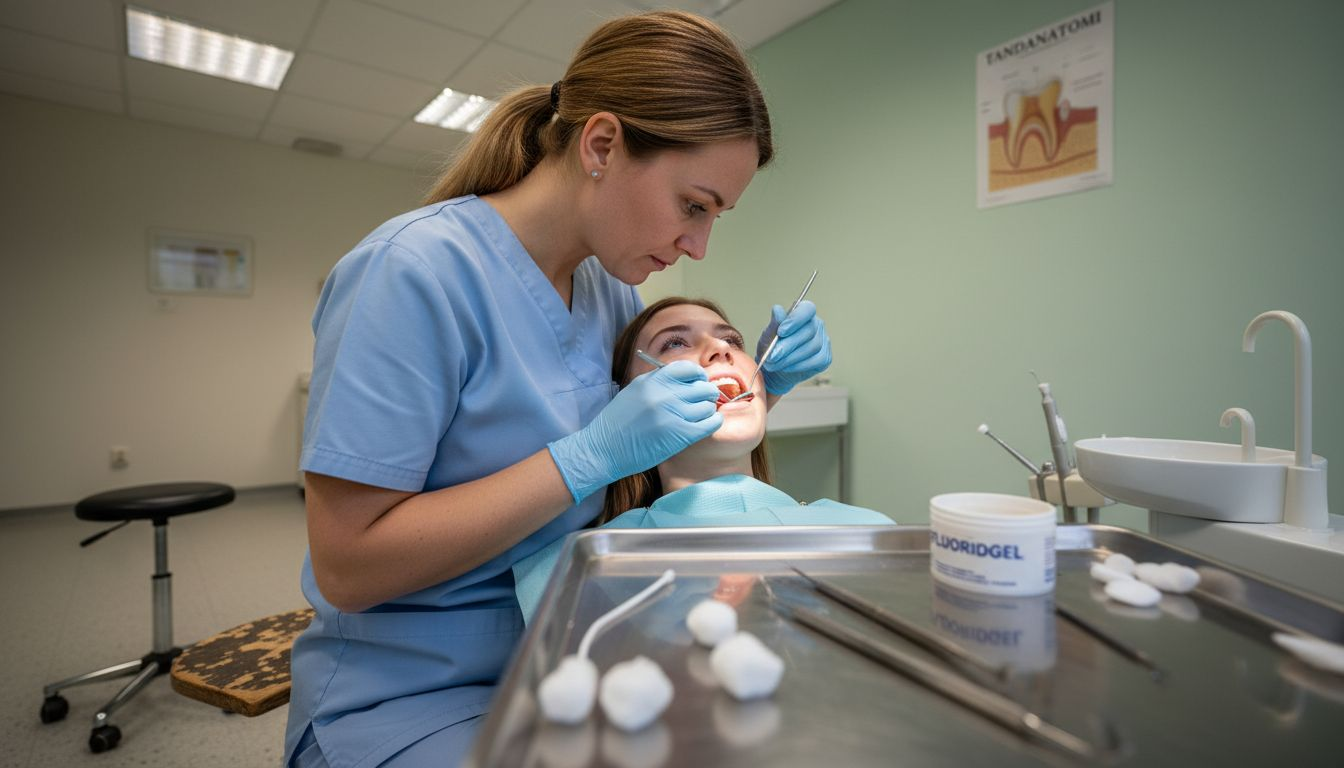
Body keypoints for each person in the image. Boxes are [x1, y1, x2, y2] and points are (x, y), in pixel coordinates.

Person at [285, 12, 835, 768]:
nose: (697, 246)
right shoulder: (409, 274)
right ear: (602, 144)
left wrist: (760, 386)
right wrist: (582, 458)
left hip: (578, 653)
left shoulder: (609, 290)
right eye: (693, 206)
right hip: (416, 697)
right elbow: (348, 567)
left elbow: (647, 446)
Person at [512, 297, 893, 623]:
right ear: (628, 403)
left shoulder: (869, 531)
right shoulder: (587, 563)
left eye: (733, 340)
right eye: (674, 343)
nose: (721, 348)